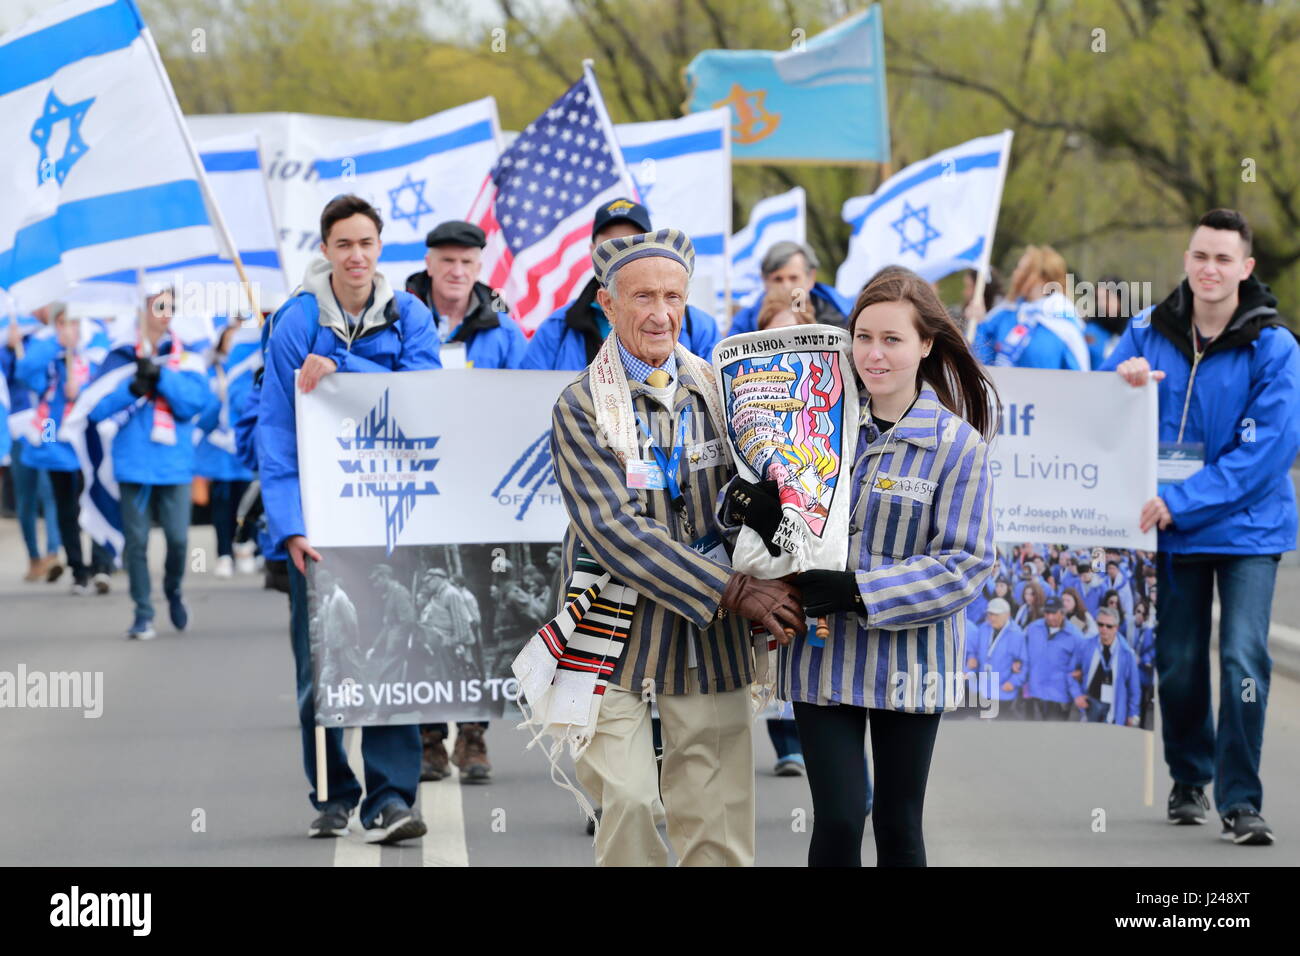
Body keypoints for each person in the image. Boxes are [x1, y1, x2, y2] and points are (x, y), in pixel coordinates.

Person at [549, 227, 806, 867]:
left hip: (710, 636)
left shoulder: (723, 387)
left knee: (715, 822)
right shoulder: (582, 404)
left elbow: (777, 482)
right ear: (606, 305)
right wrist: (735, 588)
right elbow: (616, 531)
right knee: (630, 801)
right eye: (643, 298)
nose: (661, 314)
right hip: (609, 626)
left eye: (674, 297)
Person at [731, 267, 996, 867]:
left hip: (913, 660)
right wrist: (755, 511)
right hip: (823, 656)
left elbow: (966, 562)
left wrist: (858, 590)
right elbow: (791, 538)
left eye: (892, 339)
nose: (873, 354)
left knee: (899, 825)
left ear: (925, 345)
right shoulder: (814, 429)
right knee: (842, 816)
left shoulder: (957, 446)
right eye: (863, 336)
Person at [1104, 208, 1299, 845]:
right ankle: (1190, 775)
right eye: (1200, 256)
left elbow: (1265, 453)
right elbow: (1096, 419)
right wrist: (1120, 382)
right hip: (1169, 531)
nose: (1209, 268)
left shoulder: (1276, 347)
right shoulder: (1143, 332)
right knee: (1181, 663)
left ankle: (1240, 801)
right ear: (1186, 261)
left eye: (1223, 258)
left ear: (1245, 268)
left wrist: (1182, 500)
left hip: (1246, 529)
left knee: (1244, 657)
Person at [258, 193, 439, 844]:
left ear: (379, 247)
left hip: (390, 520)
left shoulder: (409, 316)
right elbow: (275, 432)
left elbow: (424, 401)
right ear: (326, 250)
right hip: (320, 525)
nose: (356, 255)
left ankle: (392, 799)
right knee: (322, 665)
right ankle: (332, 791)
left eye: (366, 243)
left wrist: (346, 369)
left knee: (395, 653)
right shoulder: (295, 323)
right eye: (343, 244)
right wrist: (290, 526)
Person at [89, 287, 209, 639]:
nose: (163, 312)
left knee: (178, 540)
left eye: (169, 306)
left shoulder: (186, 356)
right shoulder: (119, 357)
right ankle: (143, 612)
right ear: (140, 308)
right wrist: (133, 387)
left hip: (174, 463)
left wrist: (161, 376)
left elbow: (194, 404)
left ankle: (173, 590)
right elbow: (95, 409)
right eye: (156, 305)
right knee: (137, 543)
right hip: (133, 463)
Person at [522, 199, 719, 370]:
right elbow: (531, 398)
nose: (622, 259)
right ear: (607, 304)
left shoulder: (699, 327)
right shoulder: (556, 329)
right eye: (611, 248)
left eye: (634, 247)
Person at [14, 307, 114, 595]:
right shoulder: (45, 347)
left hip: (88, 435)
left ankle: (101, 565)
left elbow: (107, 384)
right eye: (61, 322)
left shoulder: (97, 342)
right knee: (65, 506)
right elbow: (26, 374)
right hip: (54, 433)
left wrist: (80, 389)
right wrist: (59, 345)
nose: (68, 327)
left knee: (95, 498)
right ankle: (77, 569)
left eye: (73, 321)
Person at [404, 219, 526, 369]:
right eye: (448, 260)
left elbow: (525, 388)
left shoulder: (505, 331)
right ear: (429, 264)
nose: (457, 272)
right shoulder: (399, 321)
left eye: (466, 262)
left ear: (478, 269)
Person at [196, 321, 258, 578]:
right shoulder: (210, 371)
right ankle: (223, 553)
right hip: (218, 452)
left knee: (247, 501)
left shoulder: (251, 368)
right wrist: (217, 401)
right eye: (229, 338)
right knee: (222, 503)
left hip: (242, 447)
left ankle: (244, 547)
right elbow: (201, 414)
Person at [4, 311, 63, 583]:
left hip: (48, 422)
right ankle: (34, 557)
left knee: (50, 486)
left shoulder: (52, 338)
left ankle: (53, 552)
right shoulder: (10, 335)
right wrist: (9, 346)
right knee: (26, 493)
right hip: (20, 425)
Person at [973, 245, 1090, 370]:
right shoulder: (1005, 314)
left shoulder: (1065, 322)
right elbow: (980, 361)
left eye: (1023, 269)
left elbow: (1078, 377)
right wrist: (977, 324)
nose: (1015, 273)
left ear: (1043, 277)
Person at [728, 240, 853, 335]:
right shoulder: (743, 324)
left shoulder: (839, 319)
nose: (786, 286)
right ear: (765, 281)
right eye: (778, 279)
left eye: (793, 278)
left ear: (811, 278)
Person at [1068, 607, 1141, 726]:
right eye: (1100, 624)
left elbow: (1134, 688)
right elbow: (1070, 672)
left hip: (1115, 707)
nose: (1104, 629)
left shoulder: (1126, 654)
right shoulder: (1086, 646)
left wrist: (1132, 714)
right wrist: (1077, 695)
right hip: (1091, 703)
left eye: (1109, 626)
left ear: (1116, 628)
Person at [1022, 596, 1083, 720]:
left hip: (1058, 697)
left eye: (1054, 613)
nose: (1050, 617)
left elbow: (1080, 665)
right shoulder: (1033, 628)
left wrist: (1077, 692)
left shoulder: (1075, 636)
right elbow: (1022, 652)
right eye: (1047, 613)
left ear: (1062, 612)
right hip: (1035, 692)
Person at [966, 598, 1027, 717]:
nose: (992, 618)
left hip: (1003, 691)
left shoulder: (1016, 635)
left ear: (1007, 615)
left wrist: (1013, 682)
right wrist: (972, 658)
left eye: (996, 614)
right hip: (982, 689)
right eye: (990, 614)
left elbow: (1023, 664)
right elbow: (976, 650)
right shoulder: (984, 628)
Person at [1085, 274, 1131, 369]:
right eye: (1099, 299)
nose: (1103, 303)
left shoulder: (1134, 330)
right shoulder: (1090, 331)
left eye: (1107, 297)